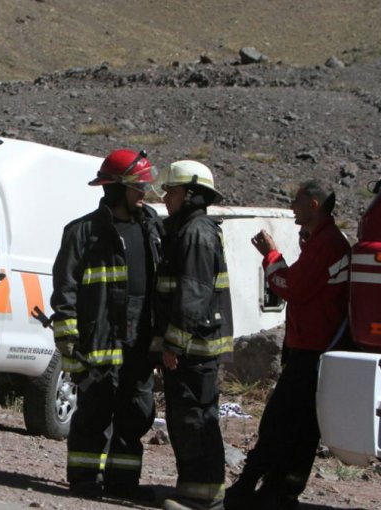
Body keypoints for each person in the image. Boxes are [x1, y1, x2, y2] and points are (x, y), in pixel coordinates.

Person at [224, 180, 350, 510]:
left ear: (313, 204)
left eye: (295, 201)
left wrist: (271, 254)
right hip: (314, 349)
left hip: (311, 351)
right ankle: (280, 492)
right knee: (302, 428)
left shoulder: (327, 244)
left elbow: (291, 287)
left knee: (279, 422)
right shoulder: (327, 242)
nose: (291, 207)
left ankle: (251, 488)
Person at [50, 149, 163, 500]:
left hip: (140, 341)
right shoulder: (83, 233)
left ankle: (122, 484)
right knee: (94, 413)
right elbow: (64, 291)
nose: (143, 195)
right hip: (100, 340)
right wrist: (69, 339)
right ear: (115, 189)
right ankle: (84, 481)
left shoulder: (154, 228)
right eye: (137, 188)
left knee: (137, 414)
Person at [155, 160, 233, 510]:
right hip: (192, 347)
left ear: (189, 194)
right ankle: (192, 493)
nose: (166, 197)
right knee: (186, 420)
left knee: (196, 420)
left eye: (171, 190)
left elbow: (193, 294)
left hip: (194, 349)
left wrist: (173, 343)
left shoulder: (196, 233)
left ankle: (205, 502)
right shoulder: (187, 229)